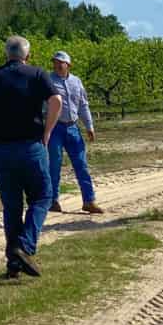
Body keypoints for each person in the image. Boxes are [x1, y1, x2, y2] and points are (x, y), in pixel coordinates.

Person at [0, 35, 62, 279]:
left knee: (12, 206)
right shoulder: (37, 74)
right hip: (31, 147)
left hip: (1, 149)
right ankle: (25, 246)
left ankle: (13, 263)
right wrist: (48, 132)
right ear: (27, 55)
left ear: (5, 55)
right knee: (43, 197)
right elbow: (56, 100)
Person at [47, 50, 103, 215]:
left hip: (73, 127)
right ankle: (53, 201)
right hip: (55, 128)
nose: (57, 65)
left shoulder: (76, 82)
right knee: (54, 165)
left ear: (68, 64)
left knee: (81, 164)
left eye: (60, 62)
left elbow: (83, 105)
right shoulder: (48, 80)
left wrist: (89, 126)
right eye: (55, 62)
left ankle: (89, 201)